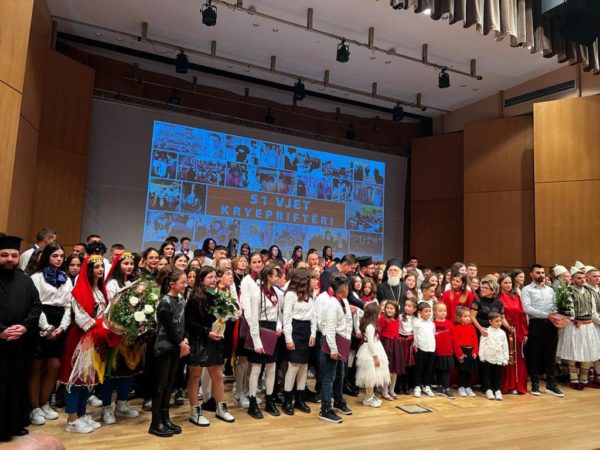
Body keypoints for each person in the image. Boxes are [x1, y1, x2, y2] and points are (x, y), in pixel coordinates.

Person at [58, 255, 118, 434]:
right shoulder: (79, 291)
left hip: (96, 338)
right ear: (89, 269)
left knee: (87, 379)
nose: (100, 269)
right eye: (96, 266)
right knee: (75, 379)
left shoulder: (100, 290)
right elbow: (81, 318)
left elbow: (104, 313)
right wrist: (102, 325)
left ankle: (82, 414)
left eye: (102, 266)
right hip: (81, 338)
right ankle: (72, 419)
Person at [0, 235, 42, 442]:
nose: (10, 259)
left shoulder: (25, 280)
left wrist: (24, 327)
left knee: (16, 383)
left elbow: (36, 306)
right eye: (4, 255)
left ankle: (14, 424)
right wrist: (0, 331)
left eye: (14, 255)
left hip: (19, 343)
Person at [28, 243, 71, 427]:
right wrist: (46, 327)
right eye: (55, 256)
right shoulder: (36, 277)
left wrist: (62, 327)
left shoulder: (66, 278)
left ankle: (45, 403)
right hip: (41, 320)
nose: (59, 259)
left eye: (61, 256)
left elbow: (68, 305)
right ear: (47, 256)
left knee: (54, 365)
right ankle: (34, 407)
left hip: (59, 321)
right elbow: (35, 303)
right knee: (37, 365)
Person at [185, 267, 235, 426]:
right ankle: (194, 411)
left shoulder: (218, 295)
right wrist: (207, 332)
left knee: (218, 375)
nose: (214, 280)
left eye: (215, 277)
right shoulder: (194, 298)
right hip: (199, 340)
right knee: (195, 376)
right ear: (201, 280)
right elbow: (189, 323)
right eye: (210, 277)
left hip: (215, 339)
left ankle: (221, 408)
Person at [149, 268, 190, 438]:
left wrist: (185, 339)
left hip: (177, 346)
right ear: (172, 284)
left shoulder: (181, 300)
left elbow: (183, 323)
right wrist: (181, 343)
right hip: (165, 347)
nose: (186, 285)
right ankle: (155, 422)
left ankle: (165, 418)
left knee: (169, 383)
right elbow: (169, 327)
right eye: (183, 282)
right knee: (161, 385)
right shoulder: (164, 303)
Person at [101, 252, 141, 425]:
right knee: (112, 371)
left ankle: (122, 404)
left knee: (129, 369)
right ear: (118, 265)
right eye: (126, 263)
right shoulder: (112, 283)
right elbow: (112, 308)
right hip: (114, 333)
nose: (129, 266)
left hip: (131, 332)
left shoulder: (135, 282)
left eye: (131, 264)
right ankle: (106, 407)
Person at [521, 264, 565, 397]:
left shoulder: (550, 290)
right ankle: (535, 384)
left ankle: (551, 384)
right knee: (535, 354)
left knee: (550, 355)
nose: (541, 275)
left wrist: (558, 315)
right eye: (538, 272)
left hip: (551, 324)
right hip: (536, 324)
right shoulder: (527, 289)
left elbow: (555, 305)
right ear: (531, 275)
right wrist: (547, 315)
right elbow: (527, 308)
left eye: (542, 272)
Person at [246, 264, 284, 419]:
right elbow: (253, 319)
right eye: (276, 275)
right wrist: (256, 341)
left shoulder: (277, 293)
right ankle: (252, 402)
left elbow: (279, 313)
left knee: (272, 367)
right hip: (260, 329)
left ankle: (269, 399)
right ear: (268, 277)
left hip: (272, 330)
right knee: (256, 369)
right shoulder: (257, 293)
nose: (278, 278)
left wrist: (279, 325)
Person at [556, 267, 600, 390]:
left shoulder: (589, 292)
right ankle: (574, 379)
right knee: (573, 351)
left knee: (588, 351)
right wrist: (574, 319)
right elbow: (569, 311)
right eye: (579, 278)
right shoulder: (568, 292)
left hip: (588, 325)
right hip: (574, 325)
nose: (582, 280)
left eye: (584, 278)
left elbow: (593, 312)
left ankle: (584, 378)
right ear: (573, 279)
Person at [282, 268, 317, 415]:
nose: (314, 281)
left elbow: (314, 315)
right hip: (295, 329)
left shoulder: (311, 294)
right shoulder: (290, 294)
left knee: (304, 366)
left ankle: (300, 399)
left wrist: (313, 334)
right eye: (312, 278)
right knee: (294, 366)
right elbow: (286, 318)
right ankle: (287, 400)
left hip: (307, 330)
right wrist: (288, 339)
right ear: (304, 280)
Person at [319, 275, 353, 423]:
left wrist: (346, 339)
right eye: (348, 287)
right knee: (329, 376)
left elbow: (348, 321)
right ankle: (325, 409)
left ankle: (338, 401)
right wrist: (333, 349)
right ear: (344, 288)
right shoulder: (332, 304)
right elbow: (330, 328)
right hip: (331, 341)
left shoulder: (344, 301)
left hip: (341, 341)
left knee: (340, 374)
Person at [497, 274, 528, 395]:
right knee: (506, 357)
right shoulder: (498, 298)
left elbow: (522, 315)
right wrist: (507, 327)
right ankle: (506, 385)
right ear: (500, 284)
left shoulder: (516, 297)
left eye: (510, 283)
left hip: (517, 330)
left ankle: (517, 385)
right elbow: (499, 315)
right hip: (504, 330)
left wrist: (525, 332)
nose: (508, 285)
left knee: (518, 358)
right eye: (505, 283)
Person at [356, 302, 390, 408]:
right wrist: (375, 357)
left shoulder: (372, 325)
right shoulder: (370, 327)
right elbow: (370, 343)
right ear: (374, 314)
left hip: (376, 347)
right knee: (370, 376)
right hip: (371, 352)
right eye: (379, 313)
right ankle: (368, 398)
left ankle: (371, 395)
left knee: (374, 375)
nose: (380, 315)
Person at [479, 312, 509, 401]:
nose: (499, 323)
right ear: (490, 321)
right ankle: (488, 390)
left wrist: (505, 359)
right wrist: (482, 356)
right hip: (488, 358)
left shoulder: (502, 333)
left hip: (499, 358)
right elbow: (482, 344)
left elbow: (505, 346)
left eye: (500, 321)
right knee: (487, 375)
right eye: (497, 321)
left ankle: (498, 390)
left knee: (498, 375)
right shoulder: (486, 331)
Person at [377, 300, 403, 400]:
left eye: (391, 308)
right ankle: (384, 391)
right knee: (387, 369)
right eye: (387, 308)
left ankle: (391, 390)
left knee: (394, 369)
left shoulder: (397, 320)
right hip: (386, 345)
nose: (389, 310)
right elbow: (379, 333)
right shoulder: (382, 319)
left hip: (395, 345)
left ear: (396, 311)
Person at [453, 306, 478, 397]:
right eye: (465, 316)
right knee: (462, 370)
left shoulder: (472, 328)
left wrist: (475, 351)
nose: (468, 318)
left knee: (469, 371)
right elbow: (455, 342)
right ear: (459, 317)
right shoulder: (456, 328)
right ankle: (461, 387)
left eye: (468, 316)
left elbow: (475, 340)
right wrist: (459, 354)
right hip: (462, 351)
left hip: (471, 351)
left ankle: (468, 387)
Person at [412, 302, 435, 398]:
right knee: (419, 368)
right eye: (426, 311)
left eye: (429, 311)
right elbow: (415, 336)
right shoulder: (417, 323)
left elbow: (433, 335)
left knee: (428, 369)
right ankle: (417, 386)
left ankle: (426, 386)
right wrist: (416, 346)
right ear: (420, 312)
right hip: (421, 349)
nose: (428, 313)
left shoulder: (432, 324)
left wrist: (433, 346)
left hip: (431, 348)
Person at [433, 302, 455, 399]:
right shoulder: (432, 324)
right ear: (435, 312)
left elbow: (454, 339)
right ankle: (439, 386)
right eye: (440, 311)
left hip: (447, 352)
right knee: (438, 370)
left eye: (444, 311)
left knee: (446, 371)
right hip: (437, 352)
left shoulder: (449, 324)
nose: (443, 312)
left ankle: (446, 388)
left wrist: (457, 352)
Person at [398, 299, 417, 394]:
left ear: (414, 309)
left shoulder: (416, 319)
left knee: (409, 365)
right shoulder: (400, 317)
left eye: (409, 306)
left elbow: (416, 332)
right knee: (400, 363)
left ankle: (406, 385)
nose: (406, 307)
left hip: (411, 343)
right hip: (401, 341)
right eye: (406, 305)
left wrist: (414, 341)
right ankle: (398, 385)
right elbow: (398, 329)